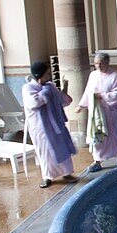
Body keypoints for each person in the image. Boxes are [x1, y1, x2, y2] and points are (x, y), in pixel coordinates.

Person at [22, 60, 77, 188]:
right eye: (47, 73)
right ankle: (47, 177)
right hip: (40, 128)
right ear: (39, 75)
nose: (50, 76)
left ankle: (67, 172)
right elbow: (34, 103)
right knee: (45, 152)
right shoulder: (28, 88)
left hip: (56, 124)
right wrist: (46, 91)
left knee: (62, 147)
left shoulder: (50, 86)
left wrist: (64, 88)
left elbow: (60, 100)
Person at [77, 51, 117, 172]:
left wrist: (103, 96)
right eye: (96, 64)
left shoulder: (115, 75)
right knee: (97, 136)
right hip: (96, 112)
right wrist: (81, 105)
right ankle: (97, 161)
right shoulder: (93, 75)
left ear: (107, 63)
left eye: (101, 64)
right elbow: (88, 91)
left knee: (116, 134)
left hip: (111, 112)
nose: (98, 66)